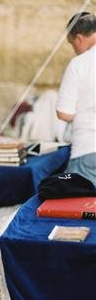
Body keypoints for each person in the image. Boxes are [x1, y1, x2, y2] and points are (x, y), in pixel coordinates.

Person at [56, 12, 96, 185]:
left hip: (88, 148)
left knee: (82, 207)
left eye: (72, 43)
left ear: (79, 39)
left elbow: (64, 113)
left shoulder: (79, 63)